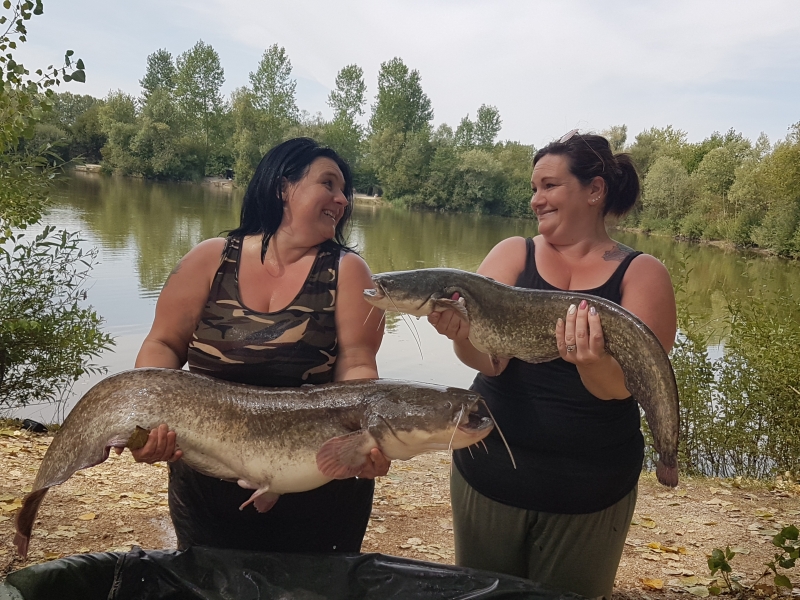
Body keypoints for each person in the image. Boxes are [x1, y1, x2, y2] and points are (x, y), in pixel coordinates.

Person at [428, 131, 677, 599]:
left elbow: (624, 388)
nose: (535, 199)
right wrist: (462, 336)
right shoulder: (511, 253)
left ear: (595, 190)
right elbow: (488, 361)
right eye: (534, 188)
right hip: (489, 473)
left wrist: (591, 363)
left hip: (590, 491)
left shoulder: (643, 273)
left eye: (549, 186)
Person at [129, 137, 388, 552]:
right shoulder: (210, 259)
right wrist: (147, 424)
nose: (341, 200)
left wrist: (369, 435)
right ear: (282, 187)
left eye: (344, 192)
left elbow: (357, 367)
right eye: (329, 184)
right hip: (209, 484)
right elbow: (163, 343)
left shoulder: (350, 271)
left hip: (320, 482)